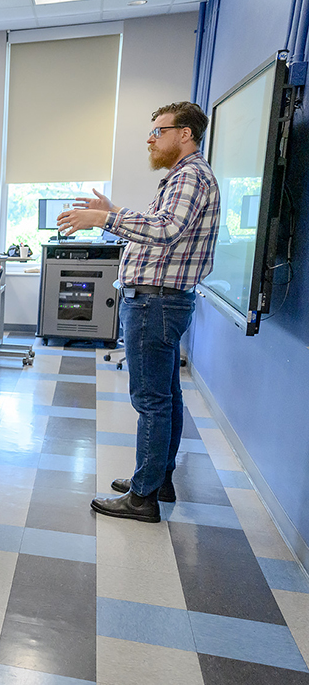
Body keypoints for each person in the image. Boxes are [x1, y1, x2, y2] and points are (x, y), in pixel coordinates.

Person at [59, 102, 220, 523]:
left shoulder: (190, 176)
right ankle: (156, 478)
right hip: (161, 300)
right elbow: (161, 222)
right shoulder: (183, 177)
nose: (150, 139)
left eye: (157, 131)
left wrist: (104, 219)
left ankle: (142, 497)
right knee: (166, 396)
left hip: (155, 302)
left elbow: (165, 231)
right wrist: (112, 210)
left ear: (184, 134)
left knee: (150, 401)